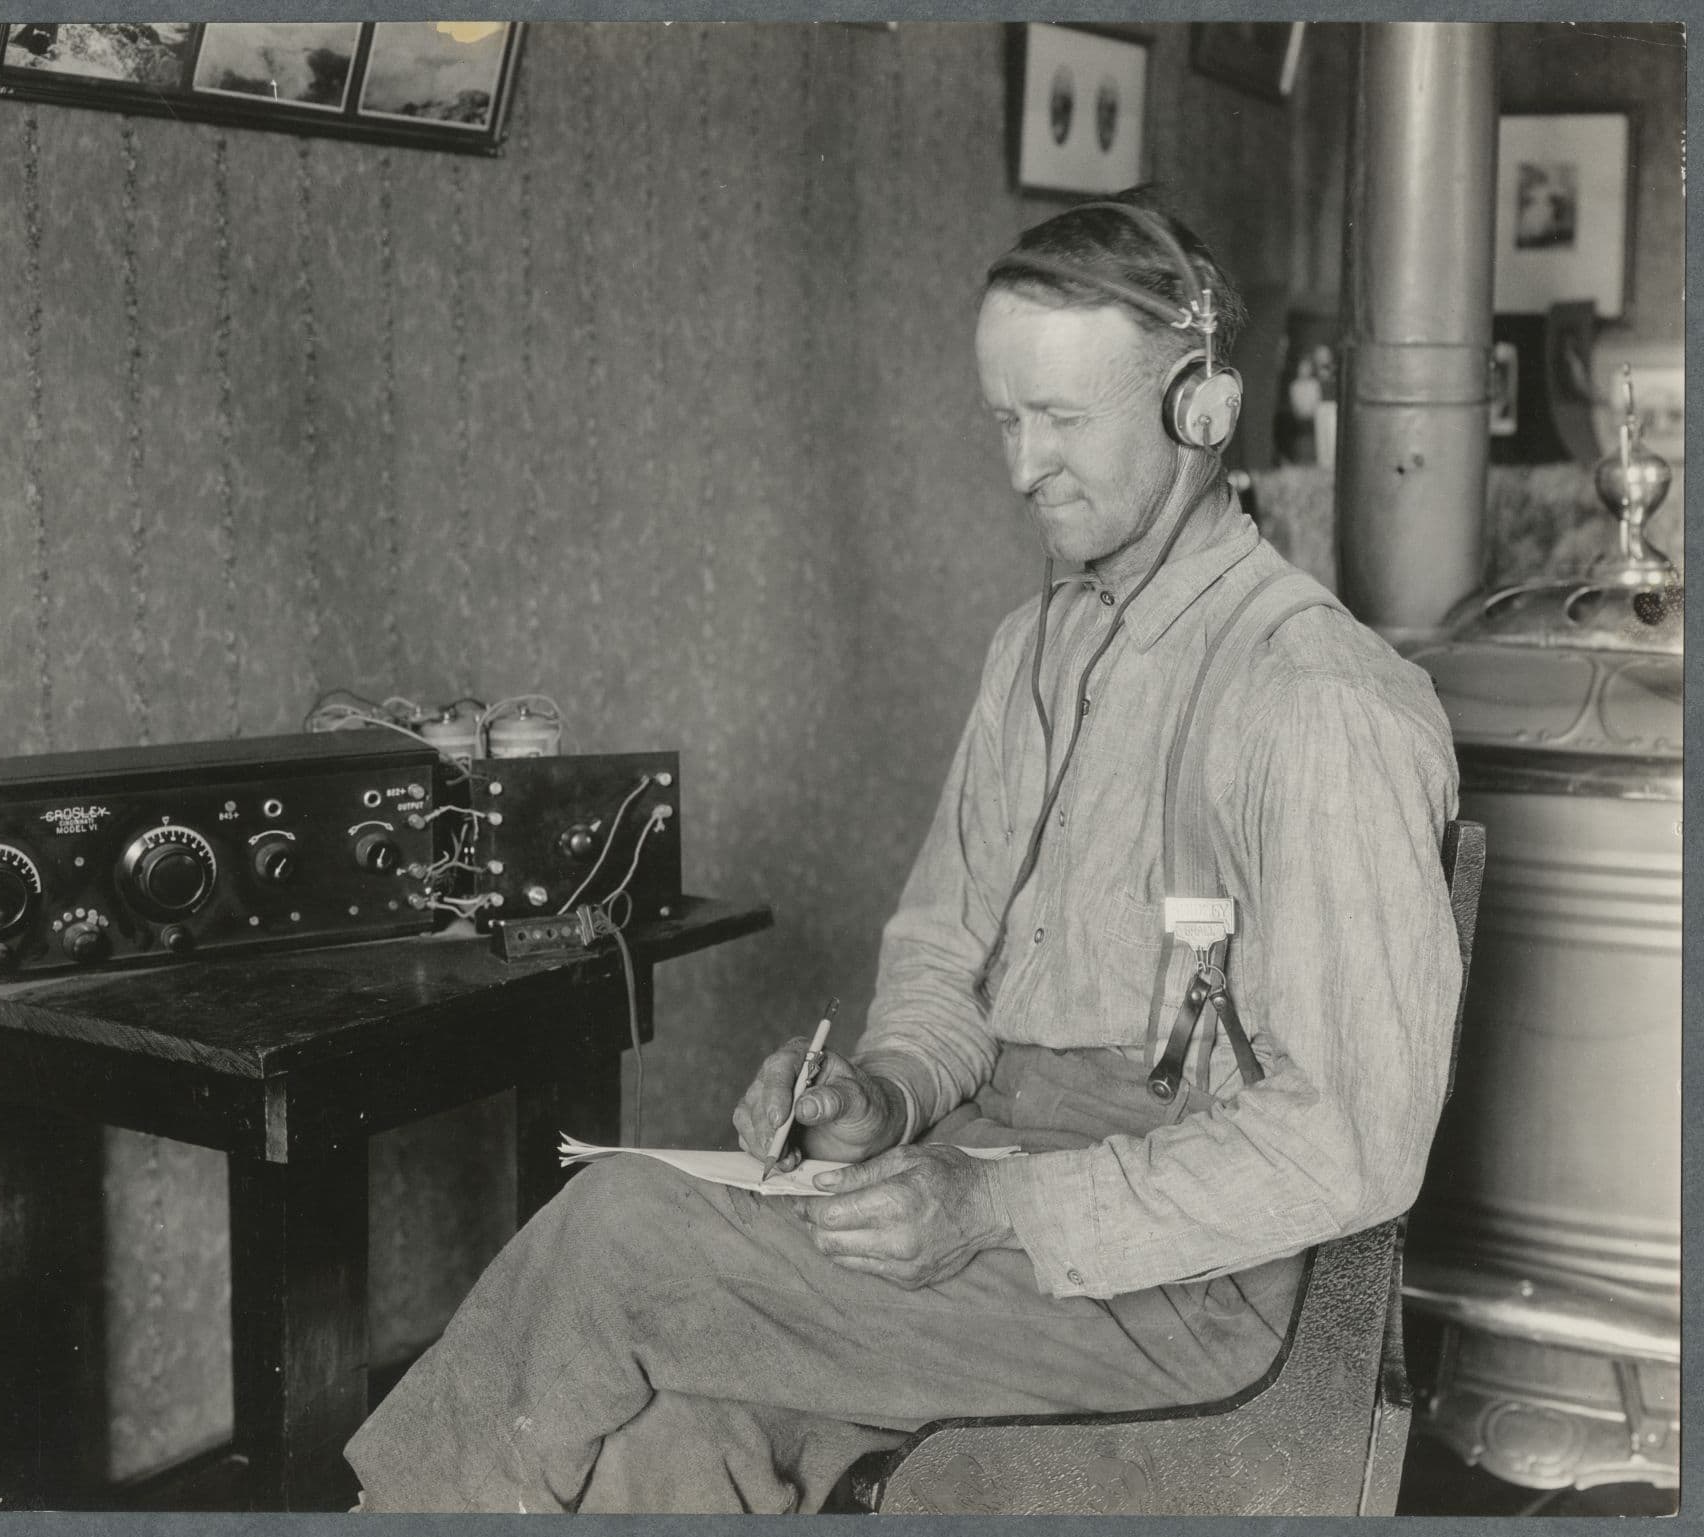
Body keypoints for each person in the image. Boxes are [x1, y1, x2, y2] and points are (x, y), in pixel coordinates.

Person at [343, 190, 1462, 1515]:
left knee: (619, 1233)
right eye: (1004, 418)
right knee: (666, 1416)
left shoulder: (1320, 701)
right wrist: (881, 1094)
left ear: (1202, 408)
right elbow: (944, 958)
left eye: (1061, 420)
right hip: (982, 1178)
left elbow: (1351, 1142)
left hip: (1171, 1281)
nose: (1021, 467)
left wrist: (998, 1214)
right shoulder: (1030, 653)